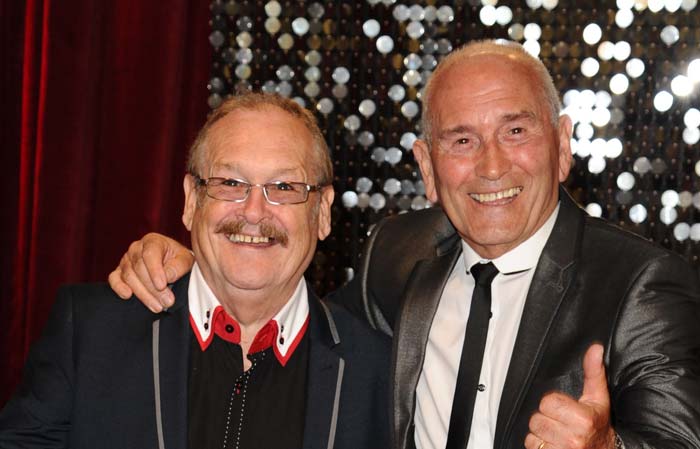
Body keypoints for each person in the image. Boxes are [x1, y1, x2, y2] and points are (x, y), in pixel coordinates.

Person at [108, 40, 700, 449]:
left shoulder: (643, 282)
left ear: (563, 144)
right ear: (426, 165)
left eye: (515, 131)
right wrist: (203, 271)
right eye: (461, 139)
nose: (491, 166)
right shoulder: (398, 251)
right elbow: (302, 326)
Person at [0, 93, 391, 449]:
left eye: (284, 186)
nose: (254, 212)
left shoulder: (378, 372)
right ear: (191, 201)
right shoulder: (90, 331)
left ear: (322, 213)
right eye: (230, 183)